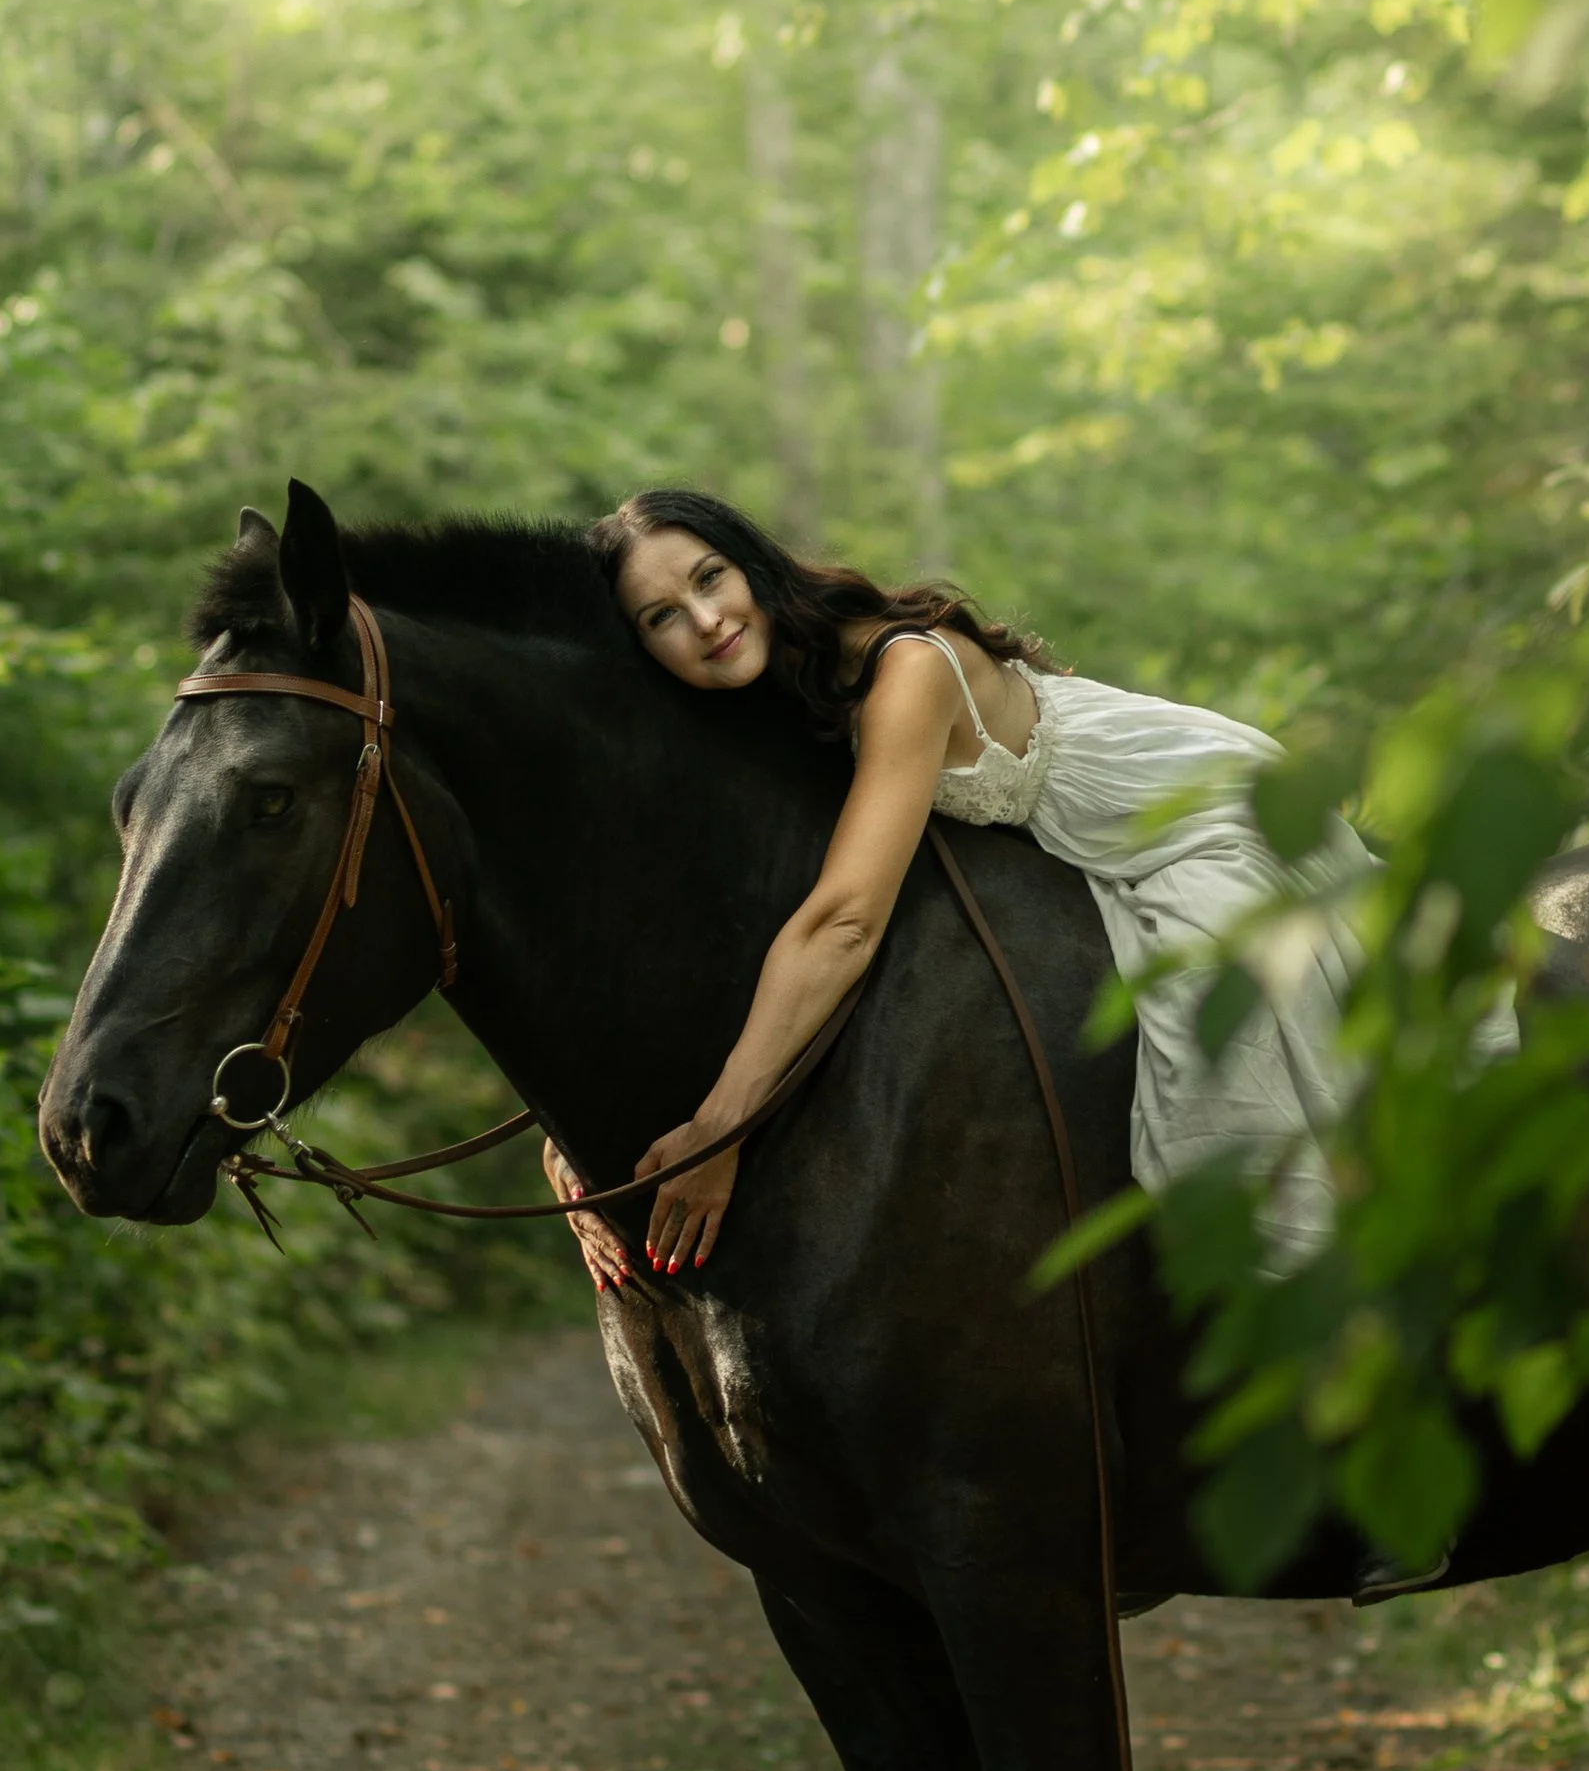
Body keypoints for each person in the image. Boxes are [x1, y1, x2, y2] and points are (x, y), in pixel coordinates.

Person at [543, 486, 1374, 1293]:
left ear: (751, 563)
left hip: (1193, 815)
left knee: (1220, 1060)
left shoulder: (900, 668)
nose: (707, 620)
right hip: (1086, 849)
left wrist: (719, 1134)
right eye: (662, 617)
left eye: (709, 577)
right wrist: (574, 1146)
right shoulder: (756, 702)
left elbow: (844, 923)